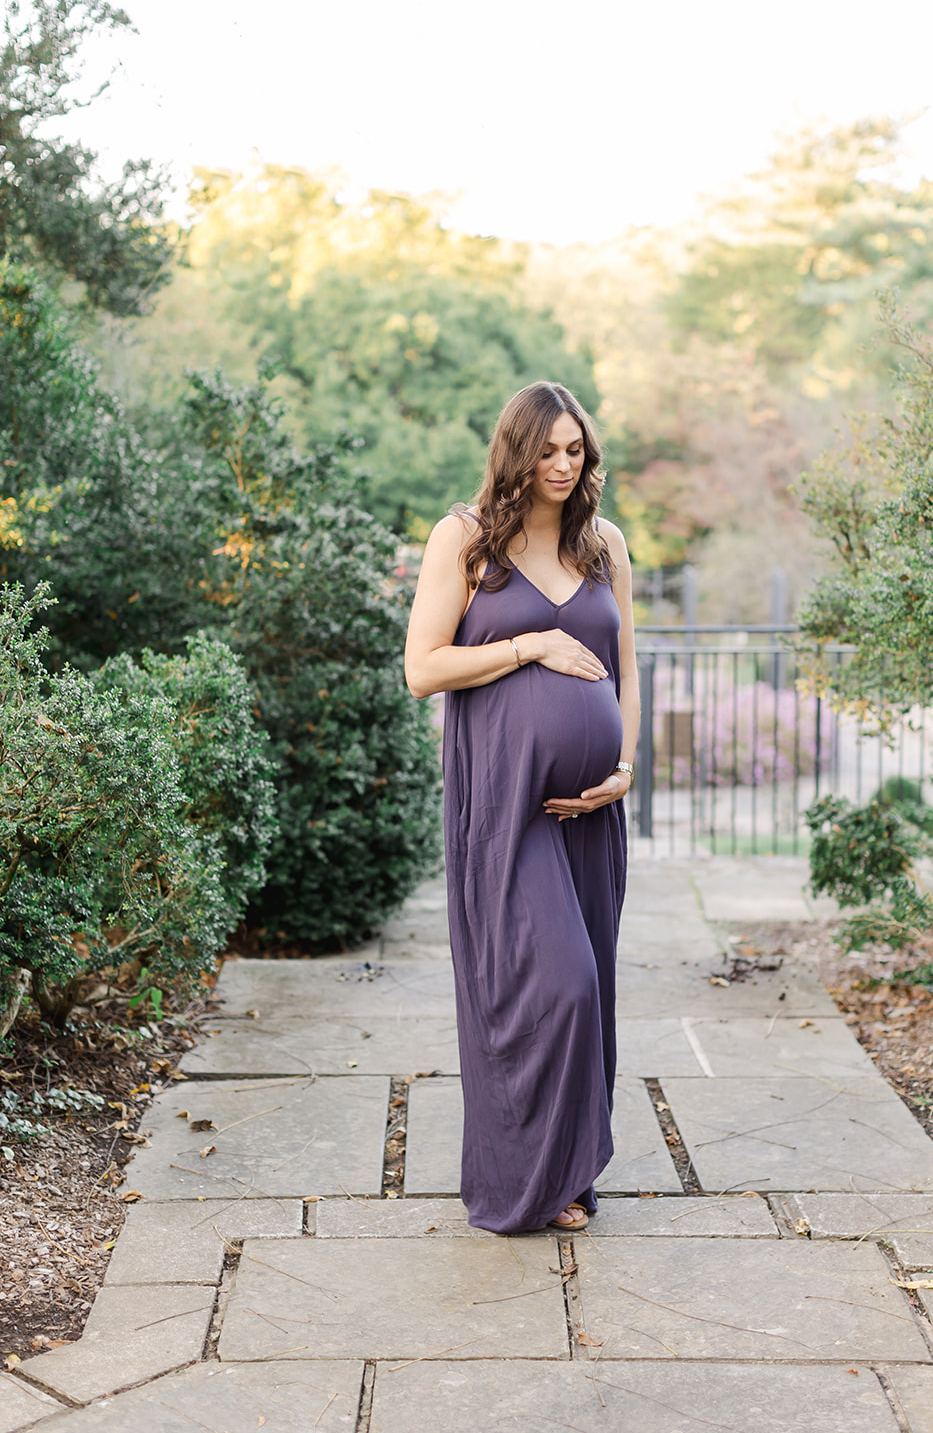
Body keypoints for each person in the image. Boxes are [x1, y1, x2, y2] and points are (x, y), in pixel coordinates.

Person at [405, 380, 639, 1233]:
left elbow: (625, 669)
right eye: (546, 450)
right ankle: (520, 1178)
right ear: (515, 451)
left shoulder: (604, 542)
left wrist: (623, 765)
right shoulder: (464, 539)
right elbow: (423, 669)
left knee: (592, 989)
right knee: (550, 987)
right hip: (504, 803)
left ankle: (569, 1175)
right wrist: (529, 643)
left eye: (575, 450)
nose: (562, 465)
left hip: (591, 811)